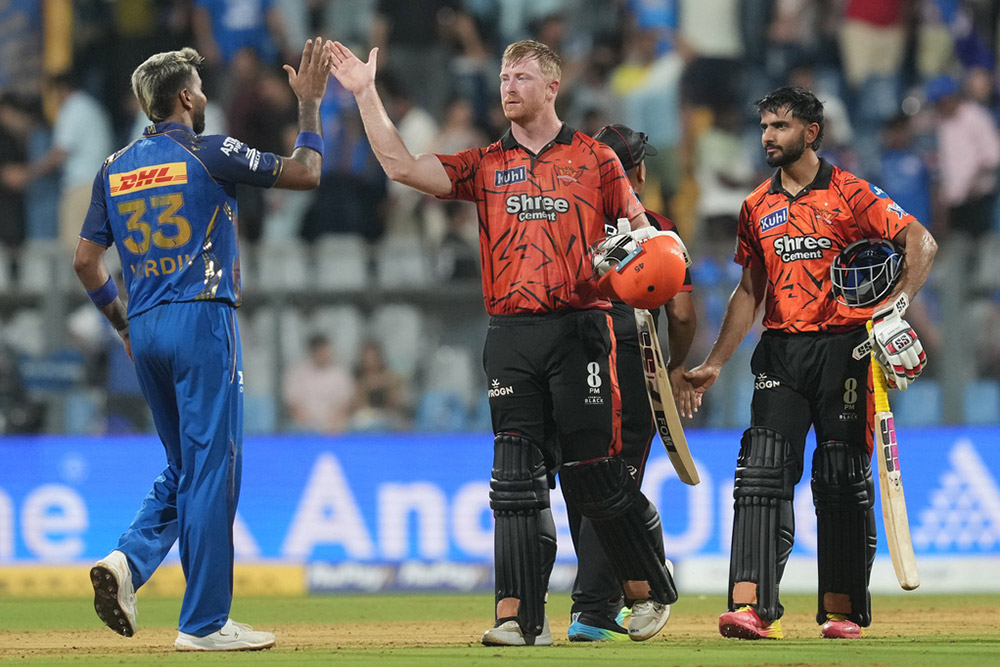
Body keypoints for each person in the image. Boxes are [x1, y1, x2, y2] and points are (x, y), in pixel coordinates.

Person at [330, 38, 678, 646]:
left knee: (594, 474)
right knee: (514, 477)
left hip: (580, 332)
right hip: (511, 336)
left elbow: (643, 229)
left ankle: (650, 585)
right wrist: (365, 92)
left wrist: (637, 252)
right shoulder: (486, 164)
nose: (508, 86)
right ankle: (517, 617)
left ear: (551, 87)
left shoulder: (597, 161)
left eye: (521, 76)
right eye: (503, 76)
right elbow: (401, 166)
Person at [72, 38, 335, 651]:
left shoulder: (113, 167)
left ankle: (128, 564)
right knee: (215, 469)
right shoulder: (210, 152)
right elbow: (308, 172)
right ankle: (205, 622)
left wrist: (121, 324)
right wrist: (311, 108)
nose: (208, 97)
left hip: (147, 326)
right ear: (186, 97)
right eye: (202, 89)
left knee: (185, 467)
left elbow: (86, 260)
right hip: (202, 319)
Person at [685, 86, 938, 640]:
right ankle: (751, 606)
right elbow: (748, 291)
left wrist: (894, 310)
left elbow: (920, 241)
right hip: (781, 349)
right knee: (760, 473)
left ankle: (843, 610)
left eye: (779, 126)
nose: (768, 137)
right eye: (764, 127)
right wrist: (715, 362)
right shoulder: (756, 206)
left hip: (846, 349)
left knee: (841, 478)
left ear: (811, 132)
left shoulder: (850, 193)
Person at [562, 123, 698, 642]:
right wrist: (673, 367)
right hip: (628, 357)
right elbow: (682, 313)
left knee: (579, 478)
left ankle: (609, 597)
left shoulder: (566, 220)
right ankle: (597, 609)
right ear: (635, 171)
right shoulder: (657, 228)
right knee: (614, 478)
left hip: (569, 358)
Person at [283, 333, 356, 433]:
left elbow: (344, 406)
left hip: (334, 427)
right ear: (314, 351)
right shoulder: (297, 373)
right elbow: (294, 406)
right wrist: (310, 427)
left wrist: (333, 425)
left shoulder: (340, 374)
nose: (327, 354)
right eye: (323, 351)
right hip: (305, 428)